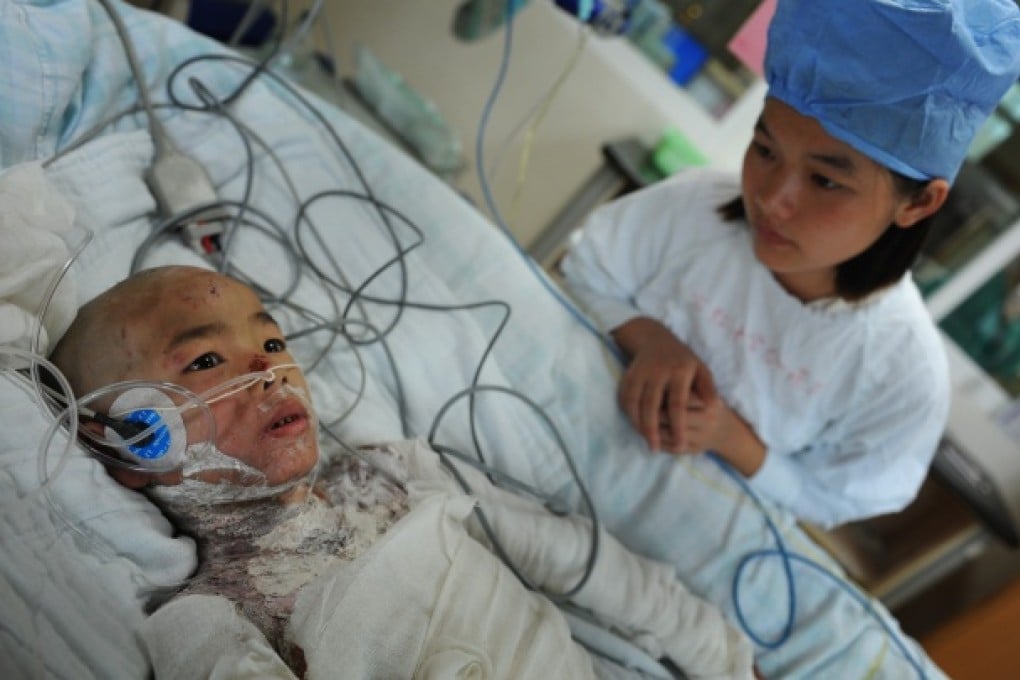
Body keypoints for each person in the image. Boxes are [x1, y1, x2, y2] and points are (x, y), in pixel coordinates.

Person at [49, 265, 757, 680]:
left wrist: (719, 654)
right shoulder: (209, 616)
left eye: (270, 338)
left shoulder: (390, 475)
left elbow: (568, 556)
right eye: (206, 361)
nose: (270, 367)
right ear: (132, 443)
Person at [561, 0, 1020, 528]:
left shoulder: (901, 369)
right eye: (765, 150)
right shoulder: (694, 210)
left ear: (917, 204)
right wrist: (649, 338)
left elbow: (838, 497)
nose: (773, 200)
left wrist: (730, 438)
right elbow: (584, 271)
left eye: (825, 181)